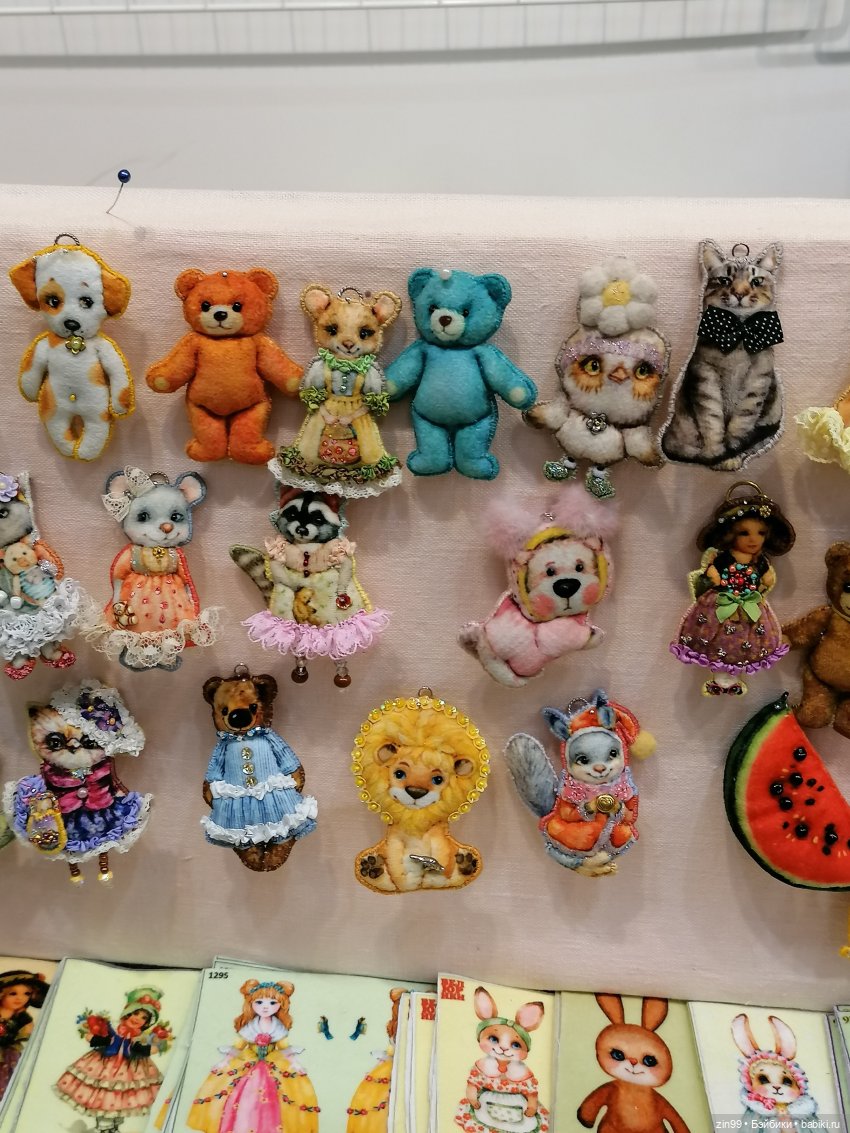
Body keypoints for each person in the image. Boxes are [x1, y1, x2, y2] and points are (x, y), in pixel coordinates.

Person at [188, 978, 319, 1133]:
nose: (265, 1007)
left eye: (272, 1003)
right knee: (243, 1096)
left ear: (281, 1004)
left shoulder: (278, 1027)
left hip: (273, 1062)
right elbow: (238, 1045)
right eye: (259, 1002)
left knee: (276, 1097)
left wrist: (295, 1063)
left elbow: (284, 1047)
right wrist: (225, 1061)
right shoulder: (249, 1027)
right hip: (248, 1062)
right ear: (251, 1003)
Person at [55, 985, 171, 1132]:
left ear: (147, 1022)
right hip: (105, 1065)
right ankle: (104, 1127)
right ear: (127, 1014)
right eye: (135, 1014)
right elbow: (95, 1038)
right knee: (106, 1093)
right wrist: (97, 1036)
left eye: (144, 1018)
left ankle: (114, 1126)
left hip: (132, 1068)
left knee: (123, 1097)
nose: (138, 1019)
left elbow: (146, 1049)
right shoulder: (113, 1028)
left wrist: (157, 1045)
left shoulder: (140, 1037)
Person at [0, 969, 49, 1100]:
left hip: (8, 1056)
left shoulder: (23, 1018)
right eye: (13, 993)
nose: (20, 998)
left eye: (26, 993)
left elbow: (29, 1035)